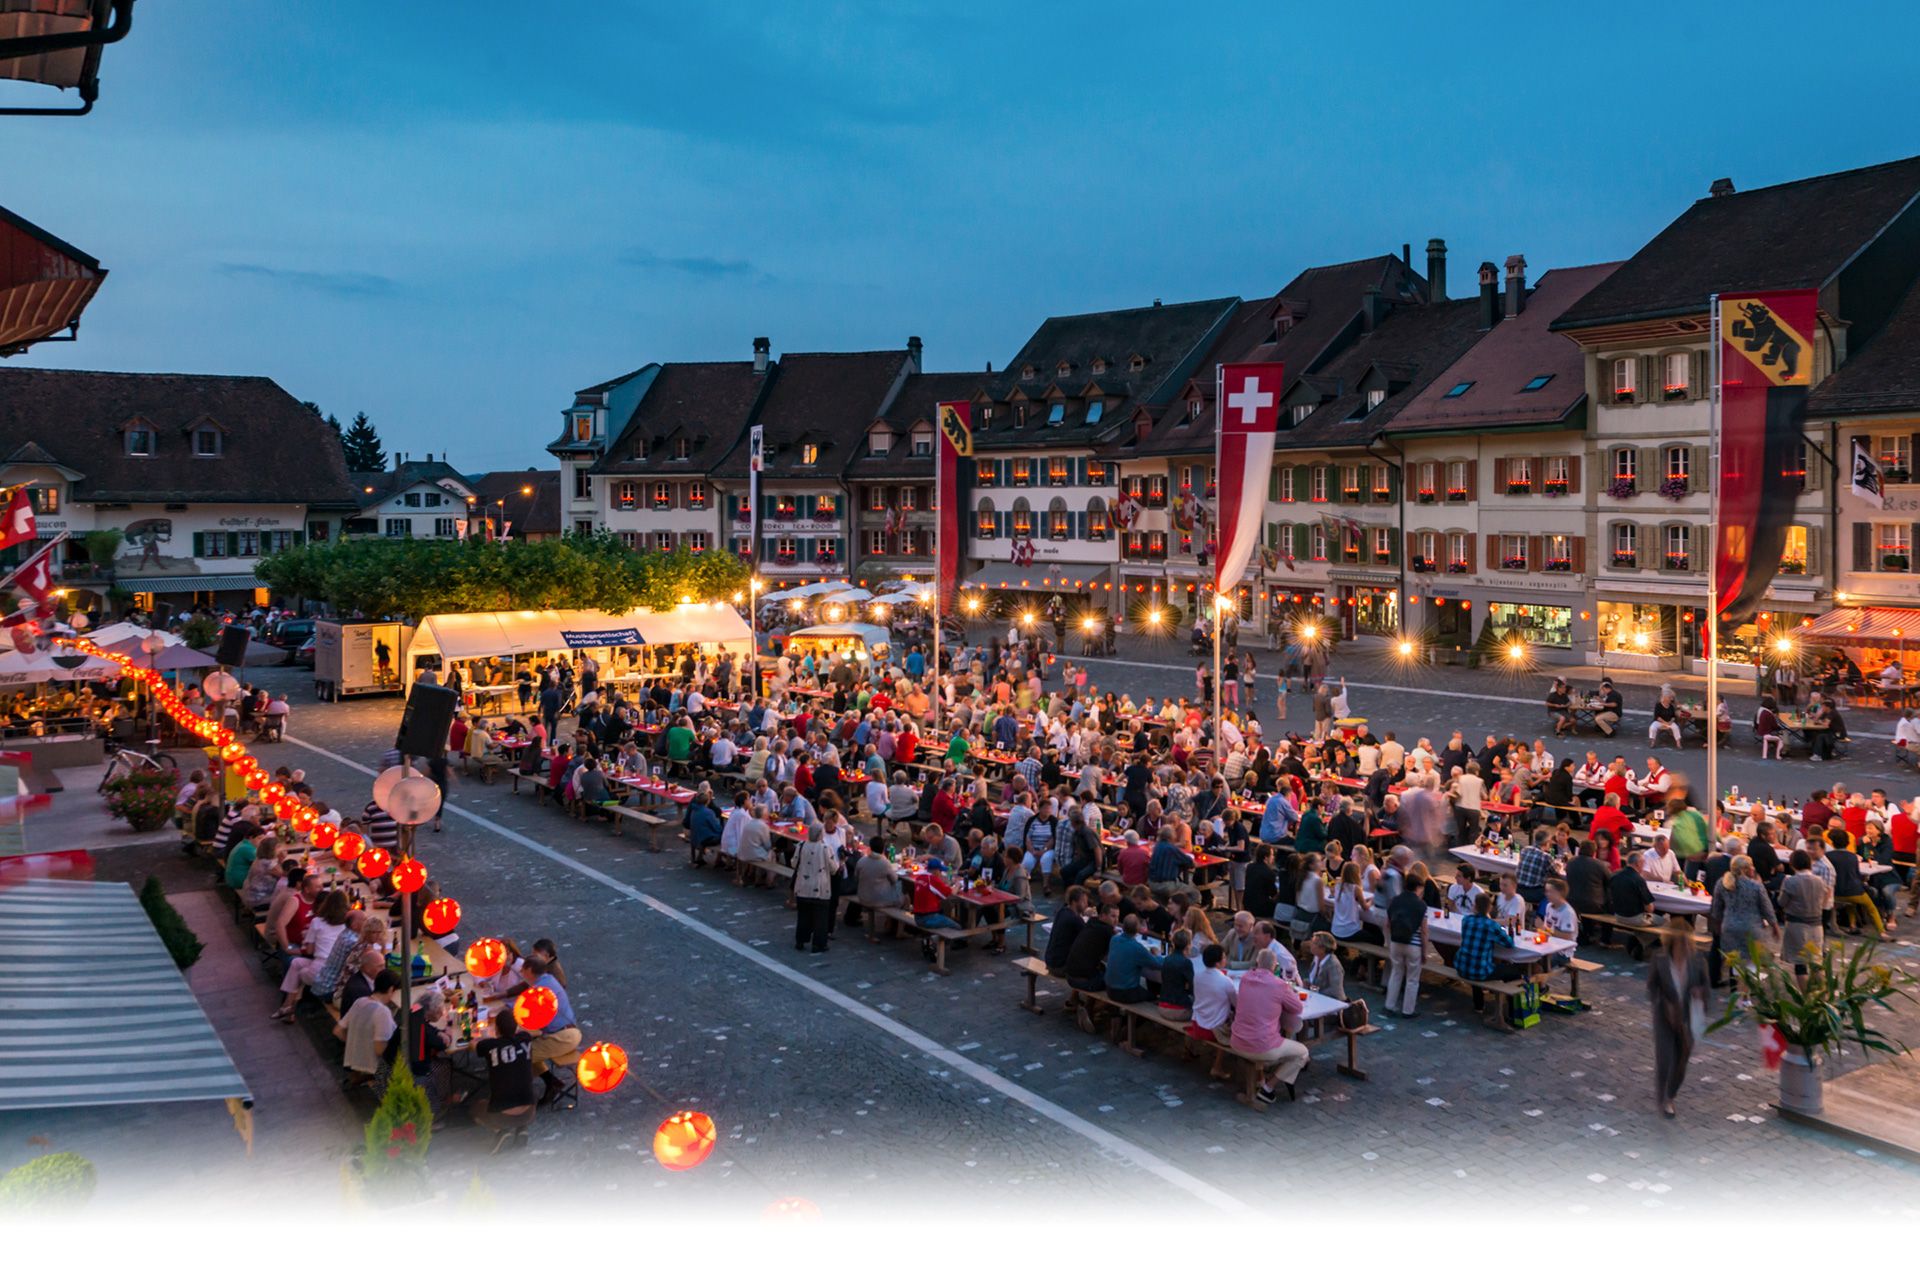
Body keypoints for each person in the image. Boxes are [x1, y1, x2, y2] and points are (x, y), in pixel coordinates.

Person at [1223, 950, 1309, 1104]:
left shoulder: (1245, 979)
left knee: (1269, 1034)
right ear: (1275, 966)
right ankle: (1268, 1088)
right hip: (1263, 1046)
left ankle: (1263, 1080)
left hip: (1237, 1040)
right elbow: (1298, 1008)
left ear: (1257, 963)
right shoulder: (1279, 985)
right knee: (1303, 1053)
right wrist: (1290, 993)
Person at [1647, 923, 1710, 1118]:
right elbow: (1651, 988)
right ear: (1672, 944)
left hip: (1688, 1017)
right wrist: (1664, 1004)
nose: (1684, 949)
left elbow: (1707, 989)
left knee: (1682, 1060)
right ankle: (1662, 1097)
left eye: (1687, 944)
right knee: (1665, 1058)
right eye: (1680, 945)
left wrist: (1700, 993)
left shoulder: (1698, 961)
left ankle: (1671, 1095)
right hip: (1665, 1017)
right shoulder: (1660, 960)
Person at [471, 1006, 537, 1151]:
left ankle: (501, 1130)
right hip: (529, 1111)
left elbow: (474, 1045)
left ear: (497, 1029)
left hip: (501, 1115)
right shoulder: (526, 1039)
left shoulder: (488, 1046)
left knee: (475, 1107)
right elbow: (521, 1033)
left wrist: (483, 1037)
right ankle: (521, 1128)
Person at [334, 971, 400, 1091]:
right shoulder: (382, 1012)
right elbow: (380, 1050)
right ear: (391, 989)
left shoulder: (361, 1001)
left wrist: (356, 1044)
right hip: (372, 1066)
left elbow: (338, 1031)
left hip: (354, 1059)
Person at [1453, 896, 1520, 1010]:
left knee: (1476, 959)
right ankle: (1512, 1010)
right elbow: (1510, 944)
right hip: (1480, 972)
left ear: (1474, 907)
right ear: (1489, 908)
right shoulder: (1492, 925)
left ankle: (1478, 1005)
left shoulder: (1466, 920)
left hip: (1461, 967)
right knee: (1514, 972)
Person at [1384, 864, 1429, 1019]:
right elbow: (1424, 932)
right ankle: (1407, 1010)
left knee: (1396, 973)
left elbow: (1388, 924)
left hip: (1396, 942)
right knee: (1412, 979)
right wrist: (1425, 952)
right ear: (1417, 888)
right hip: (1413, 944)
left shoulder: (1395, 900)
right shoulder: (1421, 906)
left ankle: (1389, 1005)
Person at [792, 820, 842, 954]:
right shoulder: (825, 848)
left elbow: (793, 863)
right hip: (820, 888)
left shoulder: (801, 846)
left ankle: (800, 940)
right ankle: (819, 943)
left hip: (803, 886)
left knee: (803, 916)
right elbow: (833, 869)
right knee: (821, 918)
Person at [1777, 850, 1826, 978]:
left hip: (1796, 925)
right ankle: (1820, 993)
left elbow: (1782, 902)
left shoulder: (1790, 881)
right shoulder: (1820, 881)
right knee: (1816, 961)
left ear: (1793, 864)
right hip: (1816, 925)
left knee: (1800, 964)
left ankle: (1805, 995)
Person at [1104, 914, 1162, 1005]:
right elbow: (1157, 964)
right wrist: (1158, 954)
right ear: (1137, 929)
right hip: (1125, 992)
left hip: (1109, 988)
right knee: (1155, 996)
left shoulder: (1114, 939)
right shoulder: (1136, 948)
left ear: (1123, 926)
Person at [1187, 944, 1236, 1052]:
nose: (1225, 959)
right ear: (1217, 963)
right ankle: (1218, 1065)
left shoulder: (1197, 976)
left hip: (1197, 1024)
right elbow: (1236, 1003)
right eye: (1224, 957)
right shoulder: (1225, 981)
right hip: (1214, 1030)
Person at [1304, 930, 1346, 1000]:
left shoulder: (1333, 965)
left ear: (1323, 948)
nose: (1310, 944)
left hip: (1332, 1002)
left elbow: (1335, 990)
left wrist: (1316, 992)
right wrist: (1307, 982)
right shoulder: (1316, 958)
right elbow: (1316, 981)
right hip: (1317, 997)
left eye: (1314, 943)